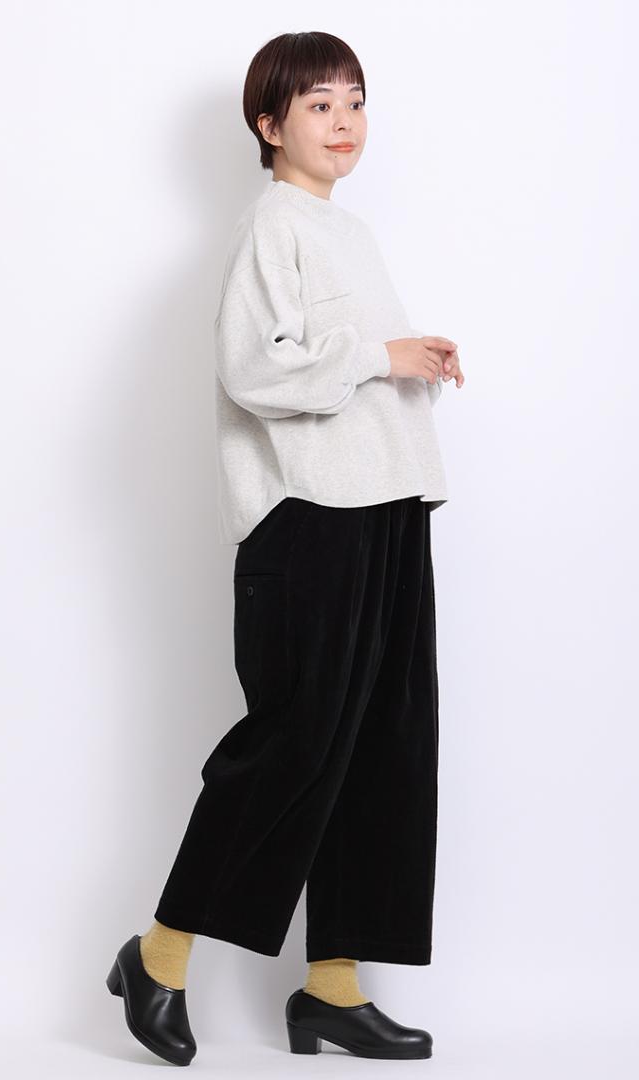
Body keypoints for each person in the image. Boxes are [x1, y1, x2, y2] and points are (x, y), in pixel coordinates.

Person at [107, 30, 463, 1066]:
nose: (344, 121)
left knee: (384, 749)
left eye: (355, 101)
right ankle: (158, 956)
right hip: (310, 520)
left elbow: (341, 371)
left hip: (386, 510)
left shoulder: (345, 231)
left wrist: (407, 364)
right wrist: (378, 355)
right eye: (318, 104)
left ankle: (332, 990)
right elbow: (253, 369)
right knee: (294, 745)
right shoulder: (272, 223)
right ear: (269, 125)